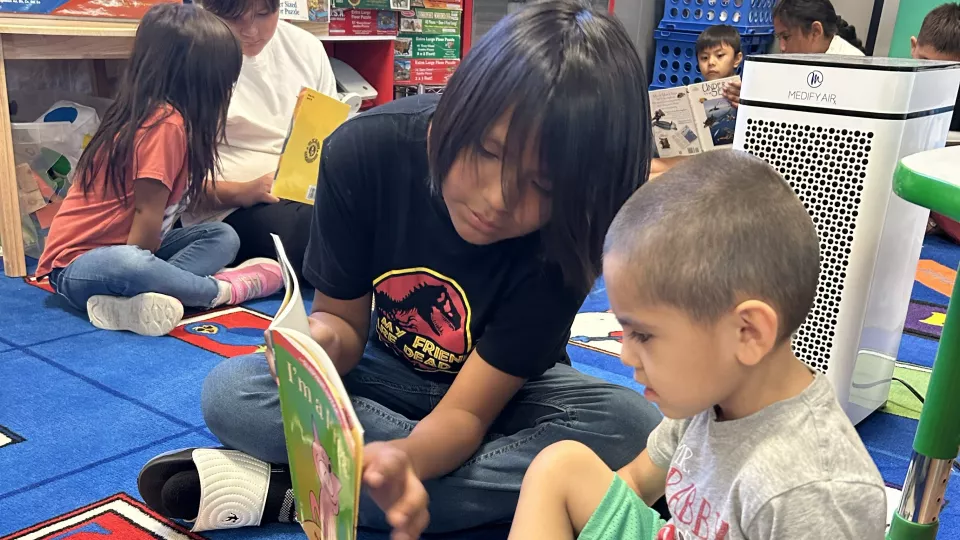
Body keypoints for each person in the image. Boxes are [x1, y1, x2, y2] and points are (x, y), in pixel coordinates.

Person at [136, 1, 663, 537]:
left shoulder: (568, 234)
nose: (497, 199)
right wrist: (312, 347)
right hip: (384, 372)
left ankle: (295, 492)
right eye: (485, 151)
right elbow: (341, 325)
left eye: (543, 186)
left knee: (639, 430)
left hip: (503, 392)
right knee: (233, 393)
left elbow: (466, 417)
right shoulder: (364, 152)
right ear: (457, 112)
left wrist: (404, 463)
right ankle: (409, 491)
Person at [508, 150, 887, 540]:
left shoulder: (814, 492)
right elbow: (637, 483)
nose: (625, 356)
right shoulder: (708, 397)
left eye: (643, 335)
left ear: (748, 333)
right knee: (561, 466)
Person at [34, 3, 283, 337]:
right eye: (224, 80)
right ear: (196, 80)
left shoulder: (176, 123)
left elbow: (180, 196)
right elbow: (145, 218)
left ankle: (149, 296)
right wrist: (146, 271)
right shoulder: (165, 124)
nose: (227, 89)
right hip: (77, 266)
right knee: (131, 264)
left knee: (221, 235)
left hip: (137, 252)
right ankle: (219, 291)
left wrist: (243, 191)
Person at [179, 0, 337, 282]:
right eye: (235, 18)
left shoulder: (306, 48)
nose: (251, 30)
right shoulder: (190, 55)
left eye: (264, 15)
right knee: (310, 236)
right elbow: (171, 185)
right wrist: (242, 191)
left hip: (300, 191)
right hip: (225, 208)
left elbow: (325, 139)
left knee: (374, 209)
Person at [723, 0, 864, 106]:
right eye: (779, 38)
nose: (782, 47)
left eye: (786, 37)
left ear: (815, 31)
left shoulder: (854, 71)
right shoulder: (799, 61)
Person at [651, 24, 743, 178]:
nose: (711, 62)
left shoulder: (742, 92)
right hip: (691, 156)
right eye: (704, 58)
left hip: (724, 162)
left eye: (719, 55)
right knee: (647, 167)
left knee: (654, 176)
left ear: (737, 59)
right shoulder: (693, 94)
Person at [910, 3, 960, 241]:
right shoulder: (894, 93)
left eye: (950, 70)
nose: (937, 79)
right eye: (927, 63)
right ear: (913, 48)